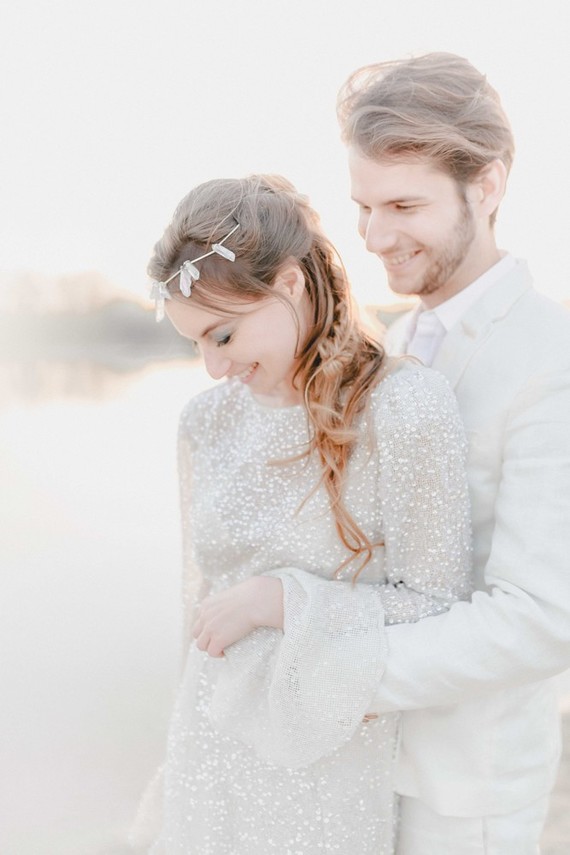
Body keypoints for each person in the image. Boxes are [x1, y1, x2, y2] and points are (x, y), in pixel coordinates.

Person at [137, 174, 472, 854]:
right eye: (194, 342)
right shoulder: (204, 421)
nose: (209, 366)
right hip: (208, 745)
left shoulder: (406, 407)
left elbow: (437, 603)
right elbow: (195, 606)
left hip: (324, 764)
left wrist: (282, 599)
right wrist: (175, 766)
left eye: (223, 335)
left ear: (289, 283)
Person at [336, 52, 570, 853]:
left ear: (490, 185)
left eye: (403, 204)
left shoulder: (552, 353)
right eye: (364, 206)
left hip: (468, 795)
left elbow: (543, 618)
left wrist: (343, 673)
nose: (374, 236)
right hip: (362, 772)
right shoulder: (399, 340)